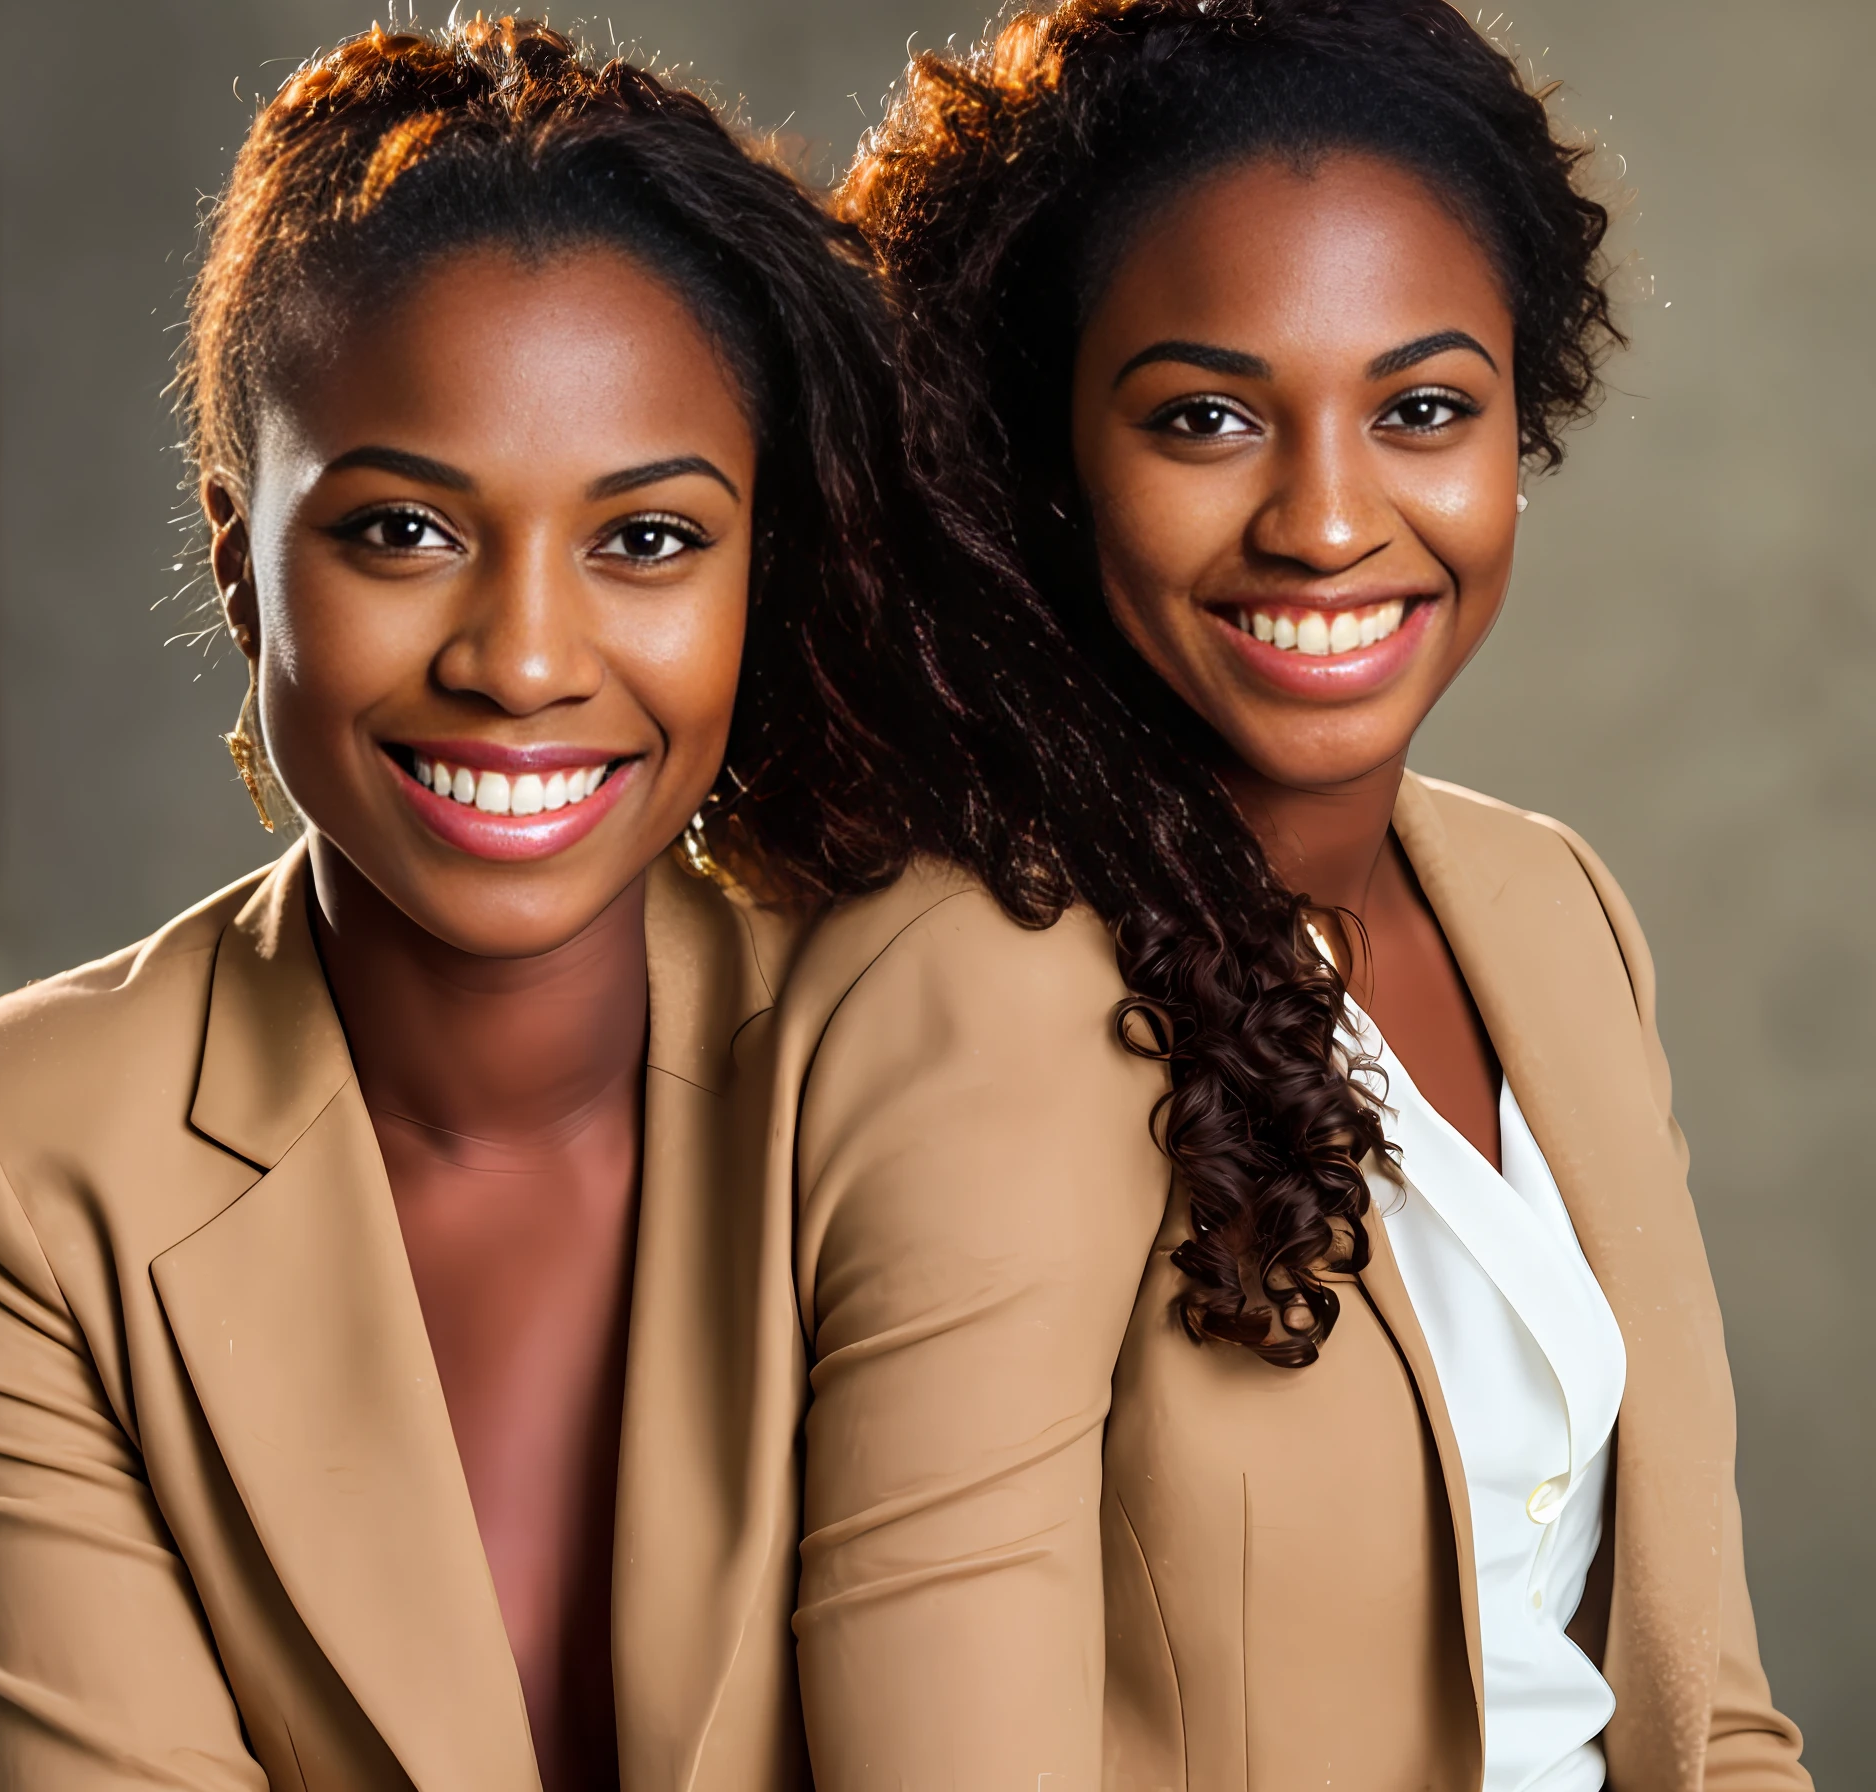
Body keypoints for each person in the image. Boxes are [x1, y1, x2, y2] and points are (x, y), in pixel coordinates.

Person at [0, 19, 937, 1789]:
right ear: (237, 561)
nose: (523, 660)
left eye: (649, 540)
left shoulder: (913, 1044)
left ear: (765, 572)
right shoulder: (32, 1156)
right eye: (401, 532)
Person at [771, 1, 1813, 1787]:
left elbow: (1702, 1704)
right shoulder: (979, 979)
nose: (1330, 523)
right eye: (1206, 419)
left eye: (1420, 409)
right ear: (1046, 452)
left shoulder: (1547, 908)